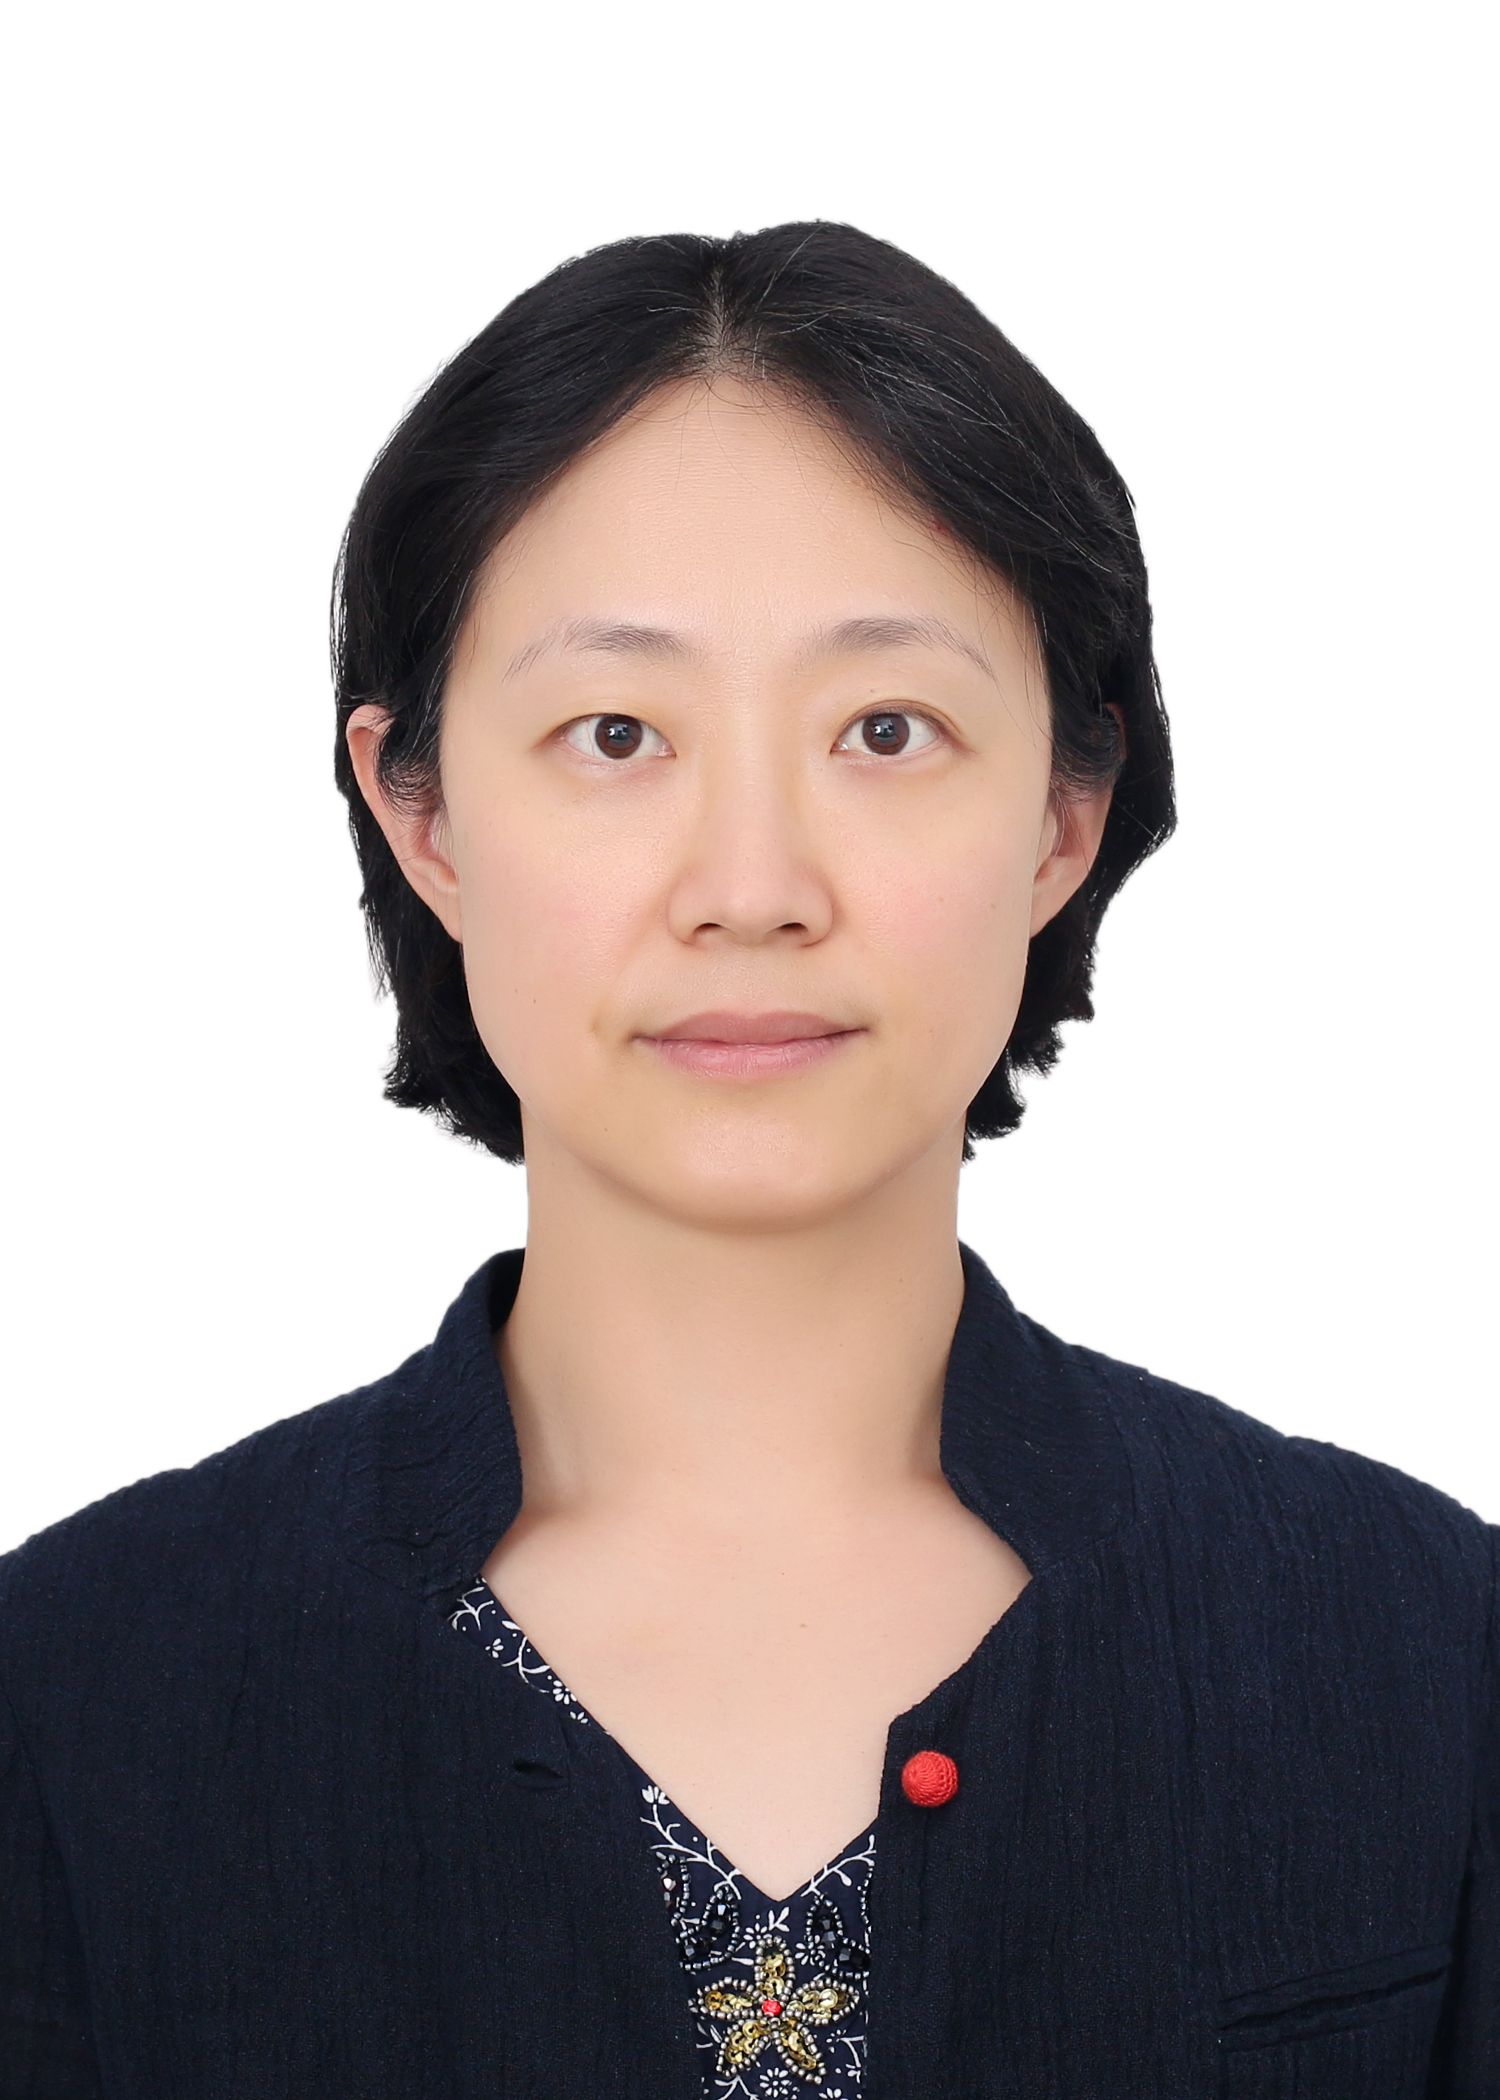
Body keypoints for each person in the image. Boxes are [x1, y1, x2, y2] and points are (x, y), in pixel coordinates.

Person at [1, 221, 1492, 2099]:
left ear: (1065, 814)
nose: (753, 888)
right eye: (616, 733)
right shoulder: (79, 1694)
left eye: (888, 729)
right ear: (422, 816)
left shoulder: (1420, 1653)